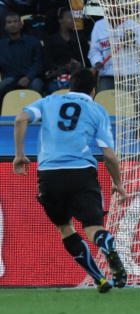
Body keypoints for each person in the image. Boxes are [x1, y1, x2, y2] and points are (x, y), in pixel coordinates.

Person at [12, 68, 128, 293]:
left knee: (65, 228)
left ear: (69, 87)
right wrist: (118, 183)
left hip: (49, 175)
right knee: (94, 228)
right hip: (82, 173)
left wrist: (19, 154)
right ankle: (106, 244)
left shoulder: (49, 101)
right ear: (93, 91)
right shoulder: (97, 110)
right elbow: (109, 155)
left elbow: (20, 118)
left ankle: (99, 278)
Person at [0, 12, 44, 105]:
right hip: (9, 78)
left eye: (15, 21)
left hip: (31, 78)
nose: (12, 24)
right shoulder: (1, 45)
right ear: (5, 26)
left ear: (21, 25)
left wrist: (28, 77)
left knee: (37, 85)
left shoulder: (34, 42)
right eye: (9, 22)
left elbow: (39, 63)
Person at [44, 7, 89, 93]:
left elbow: (86, 58)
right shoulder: (51, 39)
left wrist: (79, 64)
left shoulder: (80, 37)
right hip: (58, 76)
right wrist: (64, 67)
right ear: (60, 20)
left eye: (74, 17)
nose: (73, 20)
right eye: (69, 17)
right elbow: (48, 61)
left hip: (78, 75)